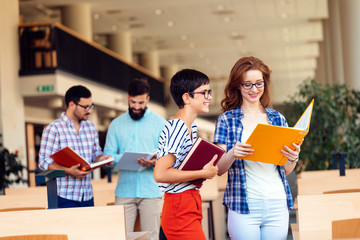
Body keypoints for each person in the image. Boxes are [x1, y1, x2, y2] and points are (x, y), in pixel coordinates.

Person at [213, 56, 302, 240]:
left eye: (259, 83)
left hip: (277, 202)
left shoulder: (278, 119)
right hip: (244, 204)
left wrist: (293, 157)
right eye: (247, 84)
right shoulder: (226, 120)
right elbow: (219, 169)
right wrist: (232, 153)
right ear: (238, 85)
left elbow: (285, 170)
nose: (254, 89)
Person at [154, 69, 219, 240]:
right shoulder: (178, 127)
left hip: (189, 202)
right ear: (186, 98)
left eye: (209, 92)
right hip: (179, 207)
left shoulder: (191, 127)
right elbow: (160, 173)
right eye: (204, 92)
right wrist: (203, 173)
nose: (209, 97)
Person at [104, 78, 166, 240]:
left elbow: (167, 156)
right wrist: (121, 158)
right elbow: (108, 155)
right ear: (127, 98)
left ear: (147, 99)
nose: (136, 107)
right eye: (133, 102)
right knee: (121, 236)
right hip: (124, 191)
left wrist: (154, 162)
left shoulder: (160, 123)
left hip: (151, 191)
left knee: (151, 237)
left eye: (140, 102)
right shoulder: (116, 124)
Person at [38, 85, 112, 208]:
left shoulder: (91, 127)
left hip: (87, 195)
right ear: (72, 105)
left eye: (91, 106)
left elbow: (95, 154)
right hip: (65, 197)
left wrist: (102, 159)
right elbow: (43, 162)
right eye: (85, 107)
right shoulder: (53, 129)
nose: (89, 110)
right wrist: (68, 171)